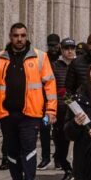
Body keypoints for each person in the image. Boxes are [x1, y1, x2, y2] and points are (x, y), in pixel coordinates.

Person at [0, 23, 57, 180]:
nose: (19, 39)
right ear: (10, 36)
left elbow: (50, 86)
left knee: (29, 147)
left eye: (22, 35)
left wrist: (51, 111)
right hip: (7, 113)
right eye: (16, 35)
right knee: (12, 149)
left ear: (27, 36)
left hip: (31, 113)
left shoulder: (40, 57)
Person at [52, 37, 77, 180]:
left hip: (75, 109)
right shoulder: (55, 66)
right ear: (61, 49)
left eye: (72, 48)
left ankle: (74, 170)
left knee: (75, 140)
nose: (69, 51)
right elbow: (50, 87)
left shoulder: (78, 64)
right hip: (60, 108)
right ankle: (66, 167)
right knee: (60, 140)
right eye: (67, 48)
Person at [38, 34, 61, 170]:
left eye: (55, 45)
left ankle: (58, 158)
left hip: (59, 99)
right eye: (50, 45)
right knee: (44, 130)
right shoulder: (43, 58)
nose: (53, 48)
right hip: (44, 100)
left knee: (58, 132)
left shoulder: (62, 58)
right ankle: (45, 158)